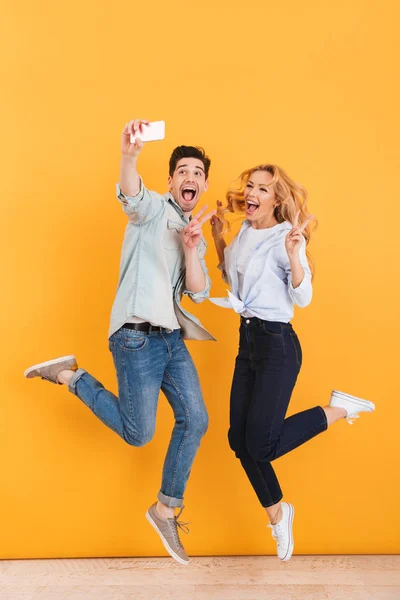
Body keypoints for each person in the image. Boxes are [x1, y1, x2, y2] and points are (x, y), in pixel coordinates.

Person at [24, 119, 216, 566]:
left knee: (197, 420)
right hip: (135, 339)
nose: (191, 177)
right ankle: (71, 375)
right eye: (183, 170)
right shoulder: (151, 209)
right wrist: (129, 156)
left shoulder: (191, 231)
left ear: (204, 186)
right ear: (170, 180)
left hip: (171, 341)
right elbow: (131, 195)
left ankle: (165, 508)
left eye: (198, 173)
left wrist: (191, 247)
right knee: (139, 434)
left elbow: (200, 288)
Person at [210, 164, 375, 561]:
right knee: (239, 440)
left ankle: (336, 410)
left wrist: (294, 255)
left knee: (261, 444)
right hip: (248, 340)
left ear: (276, 199)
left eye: (262, 189)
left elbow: (302, 298)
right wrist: (218, 239)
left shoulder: (286, 237)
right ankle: (279, 513)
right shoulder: (247, 232)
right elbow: (233, 281)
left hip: (276, 345)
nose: (251, 193)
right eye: (250, 186)